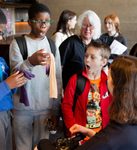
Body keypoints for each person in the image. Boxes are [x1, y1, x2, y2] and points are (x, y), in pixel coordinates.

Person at [9, 2, 62, 150]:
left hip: (46, 107)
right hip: (22, 107)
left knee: (42, 146)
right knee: (22, 146)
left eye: (47, 21)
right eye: (39, 21)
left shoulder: (52, 45)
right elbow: (15, 74)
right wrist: (30, 62)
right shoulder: (18, 43)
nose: (44, 25)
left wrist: (56, 108)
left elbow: (57, 78)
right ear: (30, 22)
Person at [70, 55, 137, 150]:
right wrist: (91, 133)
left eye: (109, 76)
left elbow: (110, 142)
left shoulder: (111, 138)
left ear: (117, 87)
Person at [61, 40, 112, 138]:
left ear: (103, 62)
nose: (87, 60)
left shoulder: (108, 82)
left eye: (92, 57)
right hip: (80, 135)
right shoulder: (75, 80)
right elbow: (66, 106)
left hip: (101, 135)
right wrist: (72, 128)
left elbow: (112, 108)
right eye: (86, 56)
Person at [0, 9, 27, 150]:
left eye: (1, 33)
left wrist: (16, 80)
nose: (0, 37)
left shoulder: (1, 61)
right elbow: (5, 86)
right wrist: (6, 85)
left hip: (6, 113)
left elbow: (8, 88)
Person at [59, 10, 101, 90]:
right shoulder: (70, 43)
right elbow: (58, 68)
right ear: (80, 26)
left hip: (92, 90)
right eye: (84, 25)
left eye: (91, 26)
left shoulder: (98, 44)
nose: (87, 29)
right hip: (71, 91)